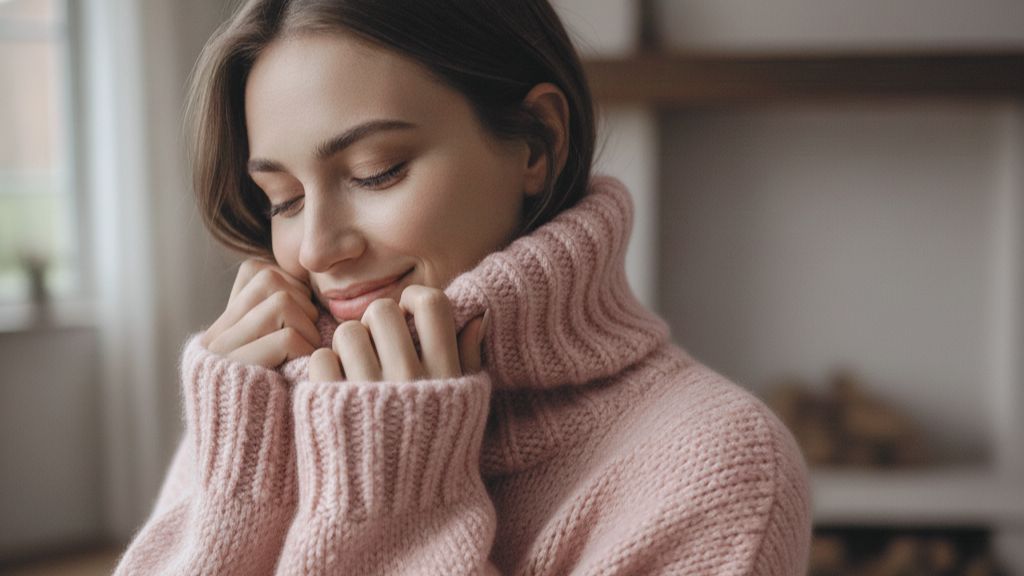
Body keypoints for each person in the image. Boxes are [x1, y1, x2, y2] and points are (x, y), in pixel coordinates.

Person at [115, 0, 811, 574]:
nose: (319, 250)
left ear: (536, 143)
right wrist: (235, 480)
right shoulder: (261, 399)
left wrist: (393, 514)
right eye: (283, 199)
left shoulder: (719, 465)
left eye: (376, 171)